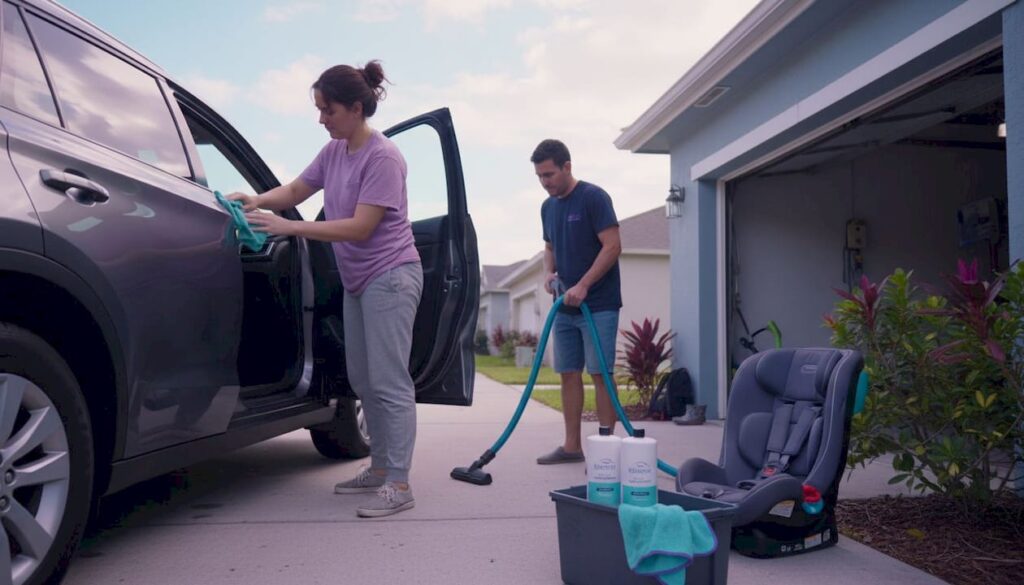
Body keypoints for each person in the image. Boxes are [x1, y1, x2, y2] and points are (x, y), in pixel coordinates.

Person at [228, 61, 422, 518]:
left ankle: (399, 483)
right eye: (318, 109)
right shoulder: (334, 151)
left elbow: (360, 227)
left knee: (391, 382)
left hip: (391, 277)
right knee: (362, 378)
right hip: (359, 281)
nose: (321, 119)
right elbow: (296, 189)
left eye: (327, 109)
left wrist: (287, 229)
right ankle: (377, 469)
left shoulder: (383, 158)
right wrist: (256, 200)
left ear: (356, 108)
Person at [531, 139, 622, 465]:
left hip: (598, 305)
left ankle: (606, 450)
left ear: (567, 166)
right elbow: (549, 247)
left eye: (550, 174)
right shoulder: (548, 207)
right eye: (540, 176)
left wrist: (583, 285)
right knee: (568, 373)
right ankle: (572, 447)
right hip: (564, 307)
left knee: (600, 373)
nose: (545, 182)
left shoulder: (593, 198)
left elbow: (612, 246)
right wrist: (548, 273)